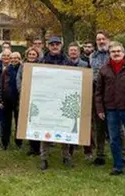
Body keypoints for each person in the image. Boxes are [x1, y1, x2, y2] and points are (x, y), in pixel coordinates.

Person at [95, 41, 125, 178]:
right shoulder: (103, 69)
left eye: (118, 51)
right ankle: (118, 166)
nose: (116, 54)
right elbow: (99, 91)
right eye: (113, 52)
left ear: (123, 53)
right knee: (114, 140)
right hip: (111, 110)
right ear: (109, 54)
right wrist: (100, 109)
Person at [39, 36, 77, 170]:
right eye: (52, 44)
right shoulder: (42, 62)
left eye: (57, 44)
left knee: (64, 128)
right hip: (47, 100)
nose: (54, 46)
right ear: (48, 46)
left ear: (61, 46)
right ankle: (44, 158)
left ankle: (66, 157)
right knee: (45, 129)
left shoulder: (68, 61)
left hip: (62, 100)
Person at [89, 30, 112, 166]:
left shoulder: (114, 54)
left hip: (112, 95)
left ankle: (123, 156)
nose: (101, 41)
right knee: (99, 127)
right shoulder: (93, 56)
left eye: (103, 39)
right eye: (98, 39)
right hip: (97, 94)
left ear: (108, 40)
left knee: (117, 128)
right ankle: (100, 154)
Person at [18, 47, 43, 157]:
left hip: (38, 97)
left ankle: (38, 148)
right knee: (28, 122)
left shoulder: (42, 66)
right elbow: (18, 79)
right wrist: (22, 92)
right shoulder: (22, 66)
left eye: (34, 54)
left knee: (37, 122)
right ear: (27, 55)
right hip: (26, 96)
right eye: (30, 54)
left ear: (37, 56)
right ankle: (32, 147)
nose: (32, 56)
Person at [0, 51, 22, 150]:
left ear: (20, 59)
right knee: (6, 123)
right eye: (12, 58)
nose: (14, 59)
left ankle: (19, 142)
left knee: (19, 122)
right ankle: (5, 143)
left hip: (19, 100)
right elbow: (1, 85)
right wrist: (1, 100)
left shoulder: (23, 69)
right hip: (7, 100)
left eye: (16, 57)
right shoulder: (6, 70)